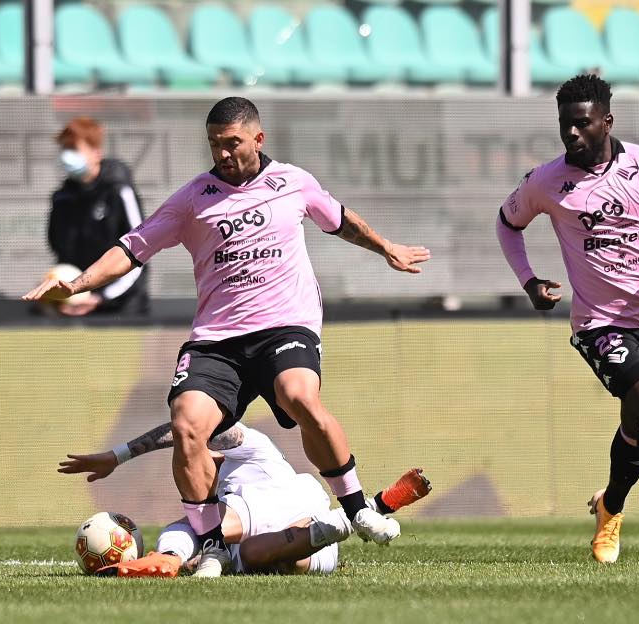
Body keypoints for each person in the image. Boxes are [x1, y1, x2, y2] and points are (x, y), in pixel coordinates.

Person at [24, 97, 431, 572]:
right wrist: (77, 284)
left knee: (299, 396)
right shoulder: (192, 198)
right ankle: (213, 544)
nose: (222, 153)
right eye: (214, 144)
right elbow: (132, 248)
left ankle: (357, 508)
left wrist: (386, 247)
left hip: (284, 325)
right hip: (218, 340)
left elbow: (341, 220)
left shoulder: (293, 182)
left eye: (232, 143)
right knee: (187, 424)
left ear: (258, 139)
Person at [495, 75, 639, 563]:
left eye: (582, 123)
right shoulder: (545, 181)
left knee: (638, 426)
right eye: (564, 124)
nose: (571, 133)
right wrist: (529, 281)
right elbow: (507, 224)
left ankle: (610, 507)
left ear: (606, 121)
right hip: (599, 324)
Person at [59, 421, 431, 577]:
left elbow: (184, 428)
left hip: (290, 496)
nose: (193, 457)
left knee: (201, 525)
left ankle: (167, 556)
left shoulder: (250, 446)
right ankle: (367, 511)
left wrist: (118, 456)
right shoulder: (212, 484)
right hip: (309, 533)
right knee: (257, 557)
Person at [47, 117, 148, 316]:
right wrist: (64, 289)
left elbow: (140, 252)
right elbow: (60, 251)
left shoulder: (119, 191)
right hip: (76, 305)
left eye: (73, 148)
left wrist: (102, 297)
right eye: (64, 149)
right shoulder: (62, 198)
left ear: (96, 152)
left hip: (122, 308)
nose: (67, 156)